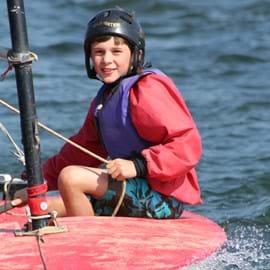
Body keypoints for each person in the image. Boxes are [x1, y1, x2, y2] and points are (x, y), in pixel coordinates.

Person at [15, 8, 202, 219]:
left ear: (136, 54)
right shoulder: (103, 100)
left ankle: (88, 245)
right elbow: (82, 150)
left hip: (162, 197)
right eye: (99, 52)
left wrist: (138, 166)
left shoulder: (148, 91)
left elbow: (187, 144)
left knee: (70, 179)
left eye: (116, 51)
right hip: (131, 190)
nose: (106, 60)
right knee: (45, 207)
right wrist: (37, 182)